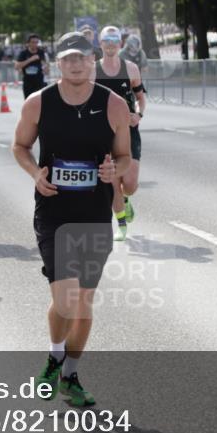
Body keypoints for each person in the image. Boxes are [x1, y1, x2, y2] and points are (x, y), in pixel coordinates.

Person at [12, 31, 131, 407]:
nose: (76, 64)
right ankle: (54, 356)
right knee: (66, 299)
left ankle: (70, 374)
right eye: (68, 58)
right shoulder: (38, 103)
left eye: (82, 57)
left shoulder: (113, 105)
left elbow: (124, 156)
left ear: (92, 60)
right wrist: (35, 174)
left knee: (84, 304)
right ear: (58, 63)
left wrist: (116, 172)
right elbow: (20, 146)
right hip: (54, 212)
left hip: (95, 213)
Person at [94, 26, 146, 241]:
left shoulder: (131, 69)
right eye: (107, 40)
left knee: (130, 185)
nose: (110, 43)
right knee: (113, 181)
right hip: (103, 133)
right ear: (100, 43)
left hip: (129, 131)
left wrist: (138, 114)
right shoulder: (92, 70)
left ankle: (125, 200)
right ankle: (122, 225)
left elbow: (141, 98)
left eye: (114, 40)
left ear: (120, 43)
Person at [15, 34, 49, 99]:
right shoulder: (24, 53)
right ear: (28, 43)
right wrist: (30, 59)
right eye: (33, 42)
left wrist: (46, 68)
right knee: (28, 103)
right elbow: (16, 66)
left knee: (41, 103)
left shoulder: (41, 52)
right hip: (28, 83)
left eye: (36, 42)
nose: (35, 44)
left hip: (40, 82)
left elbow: (45, 65)